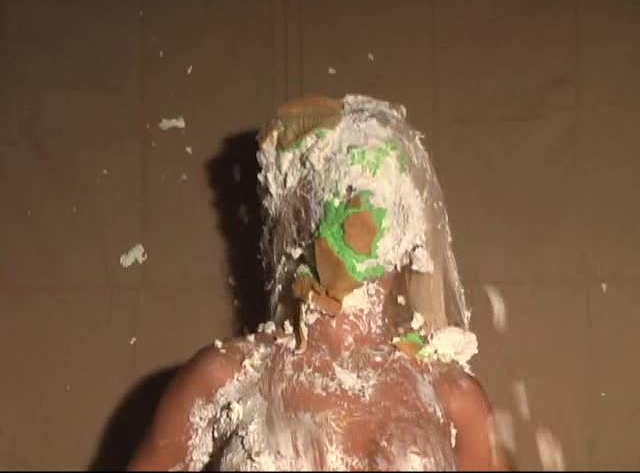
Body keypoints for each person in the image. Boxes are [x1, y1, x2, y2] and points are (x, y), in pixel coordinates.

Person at [128, 95, 511, 471]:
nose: (360, 213)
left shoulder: (455, 399)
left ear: (413, 228)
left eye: (381, 194)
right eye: (338, 189)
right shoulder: (225, 378)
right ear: (298, 213)